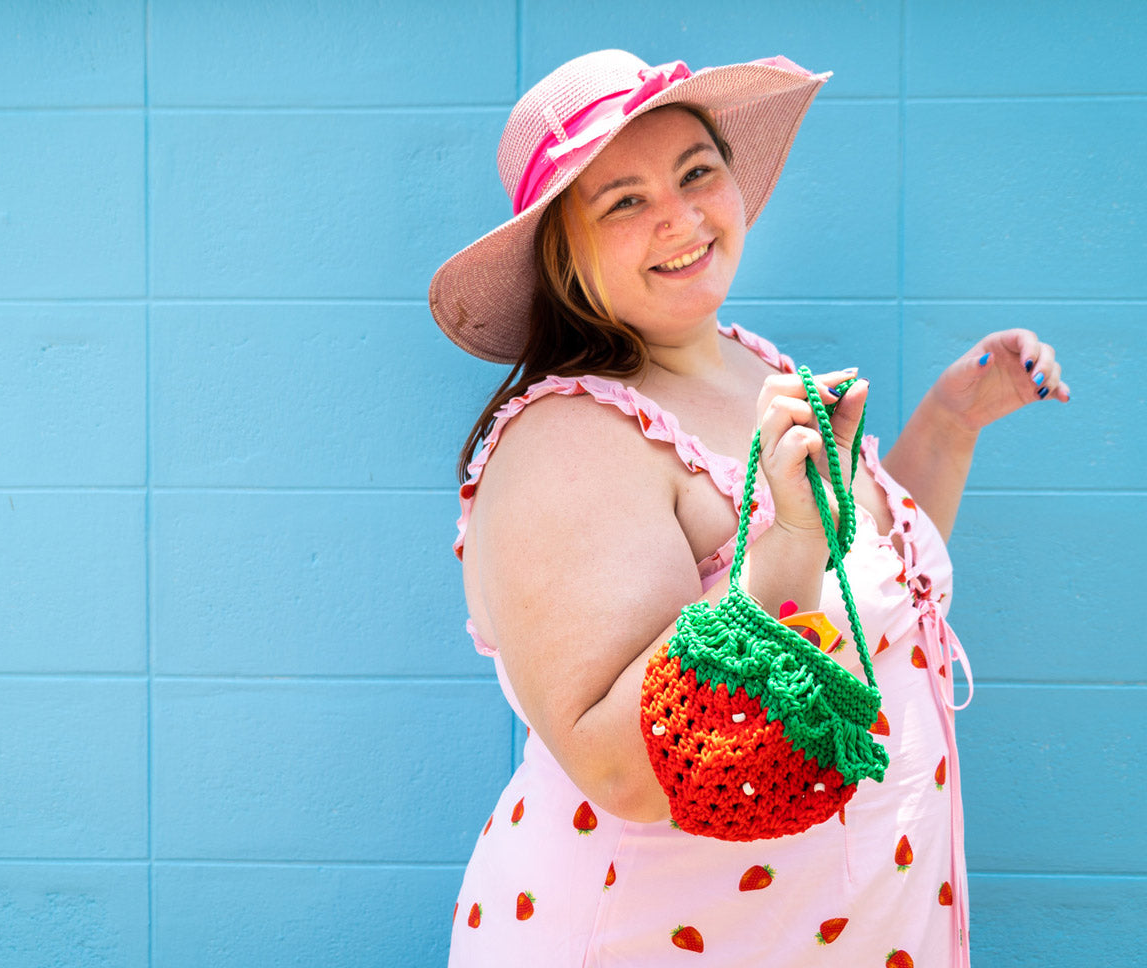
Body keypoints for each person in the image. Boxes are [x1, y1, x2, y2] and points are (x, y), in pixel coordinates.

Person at [428, 49, 1068, 968]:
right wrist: (787, 545)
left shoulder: (756, 366)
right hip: (663, 939)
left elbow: (868, 599)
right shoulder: (566, 443)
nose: (681, 217)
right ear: (563, 252)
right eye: (623, 201)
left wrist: (954, 417)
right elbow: (618, 766)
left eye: (698, 172)